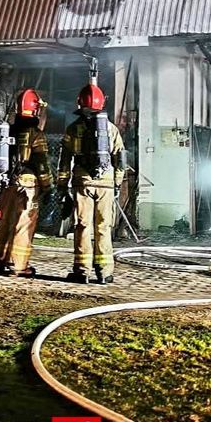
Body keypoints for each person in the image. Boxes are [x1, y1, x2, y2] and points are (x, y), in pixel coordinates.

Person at [56, 79, 125, 284]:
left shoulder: (73, 129)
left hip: (82, 183)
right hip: (106, 183)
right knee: (103, 227)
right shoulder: (111, 129)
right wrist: (117, 184)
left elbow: (65, 158)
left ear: (80, 103)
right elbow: (120, 158)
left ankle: (82, 271)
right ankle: (104, 272)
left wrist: (62, 185)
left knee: (82, 226)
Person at [0, 88, 52, 277]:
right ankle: (17, 265)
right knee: (23, 225)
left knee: (6, 223)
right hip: (27, 186)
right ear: (35, 110)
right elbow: (41, 163)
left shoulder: (8, 130)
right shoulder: (36, 134)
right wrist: (48, 186)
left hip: (7, 183)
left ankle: (0, 261)